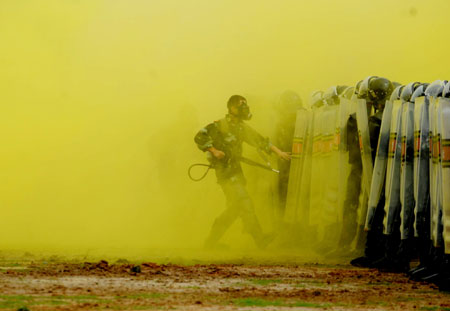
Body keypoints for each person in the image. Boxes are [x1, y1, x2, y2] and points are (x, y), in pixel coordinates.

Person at [194, 95, 291, 249]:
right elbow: (199, 136)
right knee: (244, 202)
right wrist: (214, 150)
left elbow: (261, 141)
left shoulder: (241, 127)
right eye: (241, 105)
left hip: (236, 172)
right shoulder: (219, 126)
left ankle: (210, 242)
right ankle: (260, 239)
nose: (244, 108)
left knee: (234, 209)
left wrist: (279, 152)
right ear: (232, 108)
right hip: (225, 173)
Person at [350, 76, 394, 267]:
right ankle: (380, 252)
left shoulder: (376, 121)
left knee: (378, 209)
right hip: (391, 172)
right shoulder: (396, 116)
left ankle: (376, 252)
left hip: (380, 172)